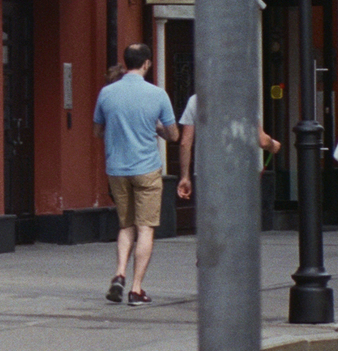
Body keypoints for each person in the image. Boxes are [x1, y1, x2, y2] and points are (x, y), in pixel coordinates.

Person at [93, 43, 179, 307]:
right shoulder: (157, 94)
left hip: (117, 169)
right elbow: (174, 135)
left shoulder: (106, 94)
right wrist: (156, 129)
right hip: (147, 169)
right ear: (147, 64)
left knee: (125, 225)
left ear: (126, 61)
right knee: (145, 229)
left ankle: (119, 273)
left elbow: (97, 131)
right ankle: (136, 289)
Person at [175, 94, 281, 200]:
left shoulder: (196, 100)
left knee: (210, 214)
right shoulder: (244, 100)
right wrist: (272, 145)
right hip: (240, 173)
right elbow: (261, 140)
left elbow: (185, 142)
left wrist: (185, 177)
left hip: (207, 175)